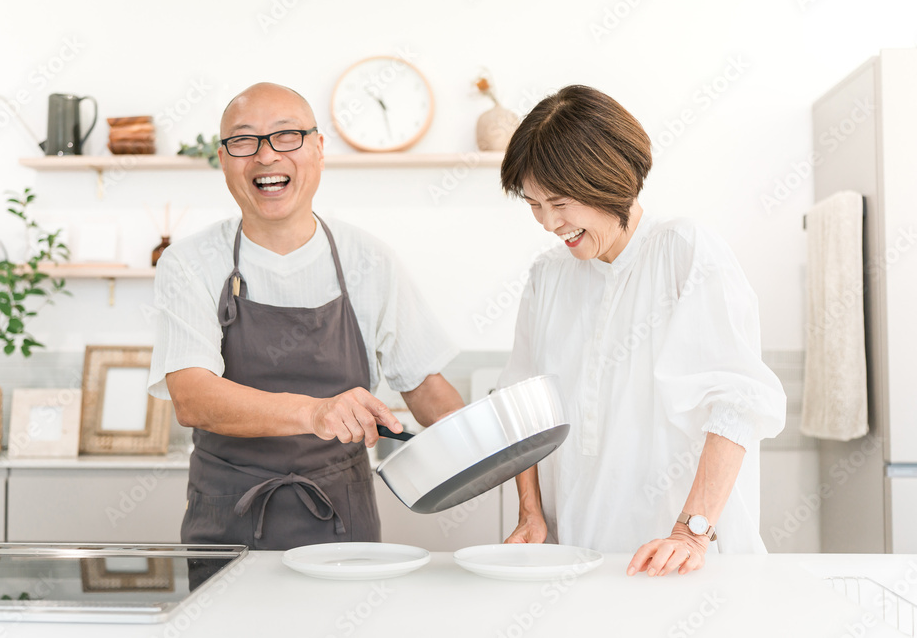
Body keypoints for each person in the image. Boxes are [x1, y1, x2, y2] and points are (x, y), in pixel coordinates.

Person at [148, 82, 464, 587]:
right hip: (228, 523)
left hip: (342, 522)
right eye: (244, 141)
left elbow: (423, 383)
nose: (265, 156)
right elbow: (192, 396)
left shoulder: (370, 260)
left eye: (287, 136)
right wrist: (313, 411)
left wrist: (494, 453)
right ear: (223, 158)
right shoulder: (189, 263)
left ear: (318, 149)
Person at [497, 85, 786, 577]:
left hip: (683, 559)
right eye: (534, 205)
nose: (549, 223)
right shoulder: (548, 276)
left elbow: (736, 405)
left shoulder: (683, 251)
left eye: (560, 202)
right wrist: (531, 513)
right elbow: (524, 408)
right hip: (580, 558)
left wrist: (689, 534)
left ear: (608, 181)